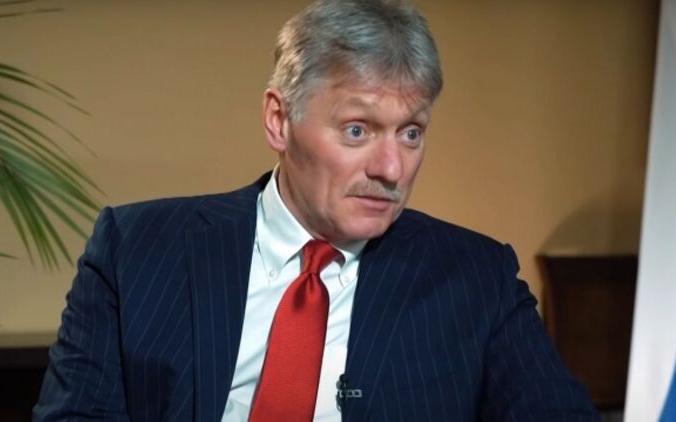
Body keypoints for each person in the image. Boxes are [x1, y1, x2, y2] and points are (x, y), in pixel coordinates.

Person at [34, 0, 599, 420]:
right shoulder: (135, 249)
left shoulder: (478, 278)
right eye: (358, 130)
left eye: (411, 132)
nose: (392, 169)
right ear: (279, 121)